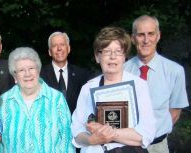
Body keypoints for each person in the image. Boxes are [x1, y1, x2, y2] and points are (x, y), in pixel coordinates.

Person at [71, 27, 155, 153]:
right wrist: (91, 140)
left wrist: (108, 133)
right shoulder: (88, 88)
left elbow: (145, 134)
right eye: (106, 51)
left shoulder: (139, 86)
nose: (112, 57)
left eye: (118, 51)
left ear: (125, 56)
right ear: (97, 57)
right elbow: (76, 133)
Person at [124, 15, 189, 153]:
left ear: (158, 36)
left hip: (158, 146)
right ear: (133, 38)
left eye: (151, 34)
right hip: (126, 146)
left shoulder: (175, 71)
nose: (146, 40)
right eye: (141, 35)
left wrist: (153, 134)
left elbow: (175, 112)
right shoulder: (122, 71)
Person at [0, 47, 75, 152]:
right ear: (15, 77)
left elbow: (67, 140)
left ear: (38, 71)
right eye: (21, 70)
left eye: (31, 68)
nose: (27, 74)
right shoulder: (4, 101)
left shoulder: (56, 99)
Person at [40, 31, 90, 114]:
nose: (59, 48)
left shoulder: (82, 74)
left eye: (62, 45)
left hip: (76, 125)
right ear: (49, 52)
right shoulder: (40, 75)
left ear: (68, 49)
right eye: (55, 46)